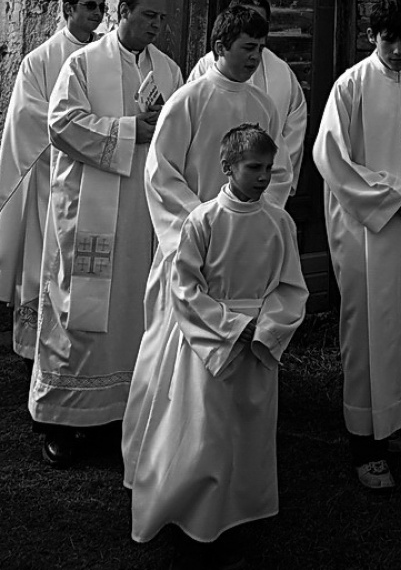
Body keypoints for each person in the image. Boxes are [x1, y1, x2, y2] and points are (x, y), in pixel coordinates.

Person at [121, 6, 292, 488]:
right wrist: (204, 227)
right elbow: (161, 173)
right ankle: (158, 463)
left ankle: (230, 468)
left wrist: (252, 226)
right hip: (189, 252)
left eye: (260, 49)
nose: (255, 58)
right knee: (169, 362)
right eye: (247, 48)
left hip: (243, 258)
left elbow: (275, 172)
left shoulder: (264, 105)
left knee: (233, 373)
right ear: (220, 47)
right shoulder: (189, 100)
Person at [129, 125, 307, 566]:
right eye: (253, 168)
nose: (263, 177)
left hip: (257, 345)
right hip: (209, 345)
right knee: (205, 435)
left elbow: (290, 287)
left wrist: (266, 328)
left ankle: (238, 514)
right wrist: (231, 327)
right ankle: (195, 520)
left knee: (247, 434)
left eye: (269, 169)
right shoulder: (203, 220)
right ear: (227, 167)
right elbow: (185, 288)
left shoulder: (279, 222)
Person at [30, 0, 184, 468]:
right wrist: (129, 129)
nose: (156, 26)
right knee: (80, 310)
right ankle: (61, 420)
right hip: (89, 209)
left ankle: (120, 414)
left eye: (161, 18)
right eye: (148, 16)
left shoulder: (168, 70)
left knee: (131, 312)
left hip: (141, 211)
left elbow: (179, 130)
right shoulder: (82, 64)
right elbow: (61, 123)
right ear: (123, 11)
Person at [312, 0, 401, 489]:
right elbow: (331, 157)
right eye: (387, 39)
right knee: (368, 326)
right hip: (365, 227)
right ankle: (363, 442)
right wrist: (394, 196)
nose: (397, 50)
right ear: (372, 37)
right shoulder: (350, 85)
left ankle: (394, 420)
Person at [0, 0, 107, 363]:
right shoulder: (39, 60)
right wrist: (86, 134)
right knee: (45, 262)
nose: (98, 13)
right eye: (90, 5)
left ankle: (83, 346)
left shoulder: (107, 56)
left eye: (102, 6)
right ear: (68, 9)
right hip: (49, 178)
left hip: (98, 175)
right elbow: (29, 116)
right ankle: (35, 347)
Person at [188, 0, 308, 194]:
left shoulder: (281, 73)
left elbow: (293, 130)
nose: (253, 25)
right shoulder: (204, 69)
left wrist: (274, 191)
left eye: (259, 21)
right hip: (209, 183)